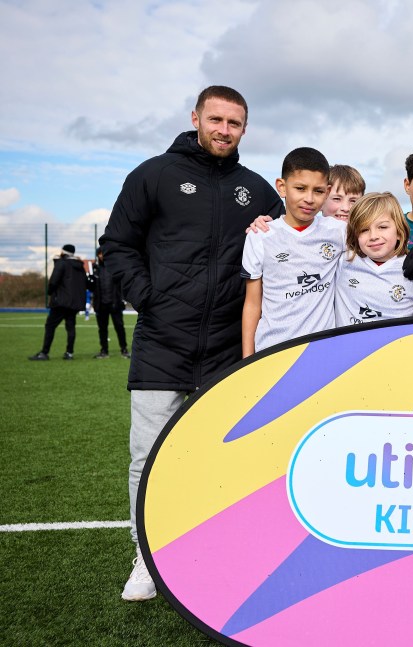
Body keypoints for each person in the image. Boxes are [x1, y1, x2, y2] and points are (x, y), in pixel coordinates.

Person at [99, 86, 283, 602]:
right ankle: (147, 556)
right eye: (217, 119)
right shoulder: (153, 174)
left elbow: (286, 247)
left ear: (245, 129)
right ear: (196, 117)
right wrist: (146, 297)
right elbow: (116, 244)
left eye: (235, 123)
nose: (225, 130)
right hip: (163, 340)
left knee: (221, 456)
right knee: (148, 457)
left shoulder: (256, 189)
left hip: (228, 346)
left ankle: (213, 552)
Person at [241, 147, 343, 356]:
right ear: (282, 187)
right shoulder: (260, 236)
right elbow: (252, 304)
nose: (309, 198)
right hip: (271, 352)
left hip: (322, 353)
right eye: (300, 188)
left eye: (318, 191)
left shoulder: (339, 232)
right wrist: (247, 360)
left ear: (327, 191)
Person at [334, 192, 413, 326]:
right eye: (364, 230)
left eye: (382, 227)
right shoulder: (342, 261)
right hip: (350, 346)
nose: (373, 236)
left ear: (399, 231)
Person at [28, 244, 87, 361]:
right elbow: (84, 283)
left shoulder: (61, 263)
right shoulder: (79, 266)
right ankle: (69, 353)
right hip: (74, 303)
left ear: (63, 252)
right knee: (70, 327)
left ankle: (44, 352)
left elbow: (54, 281)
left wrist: (50, 292)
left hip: (61, 301)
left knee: (50, 326)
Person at [90, 246, 129, 358]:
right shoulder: (95, 269)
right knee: (102, 329)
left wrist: (121, 299)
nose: (102, 256)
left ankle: (124, 349)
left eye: (103, 253)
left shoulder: (116, 268)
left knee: (119, 327)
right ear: (98, 256)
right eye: (100, 254)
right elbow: (92, 287)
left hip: (115, 304)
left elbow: (122, 285)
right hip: (101, 304)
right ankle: (104, 351)